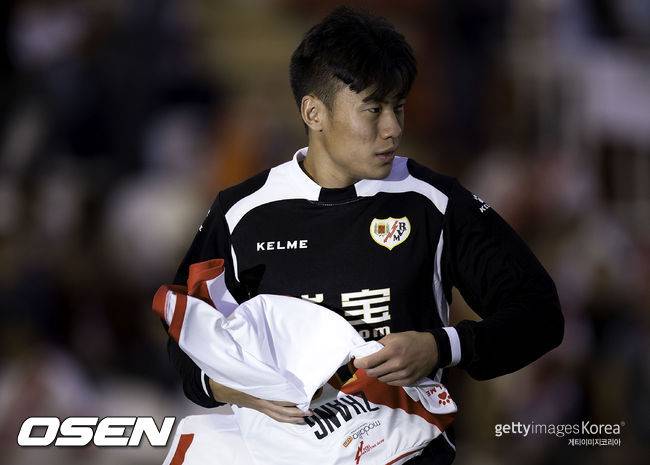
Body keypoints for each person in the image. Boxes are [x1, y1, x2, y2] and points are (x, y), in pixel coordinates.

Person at [165, 6, 564, 464]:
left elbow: (539, 314)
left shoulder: (433, 202)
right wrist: (232, 389)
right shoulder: (241, 213)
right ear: (314, 112)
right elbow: (186, 337)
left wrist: (441, 346)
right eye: (373, 109)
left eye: (399, 107)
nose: (393, 128)